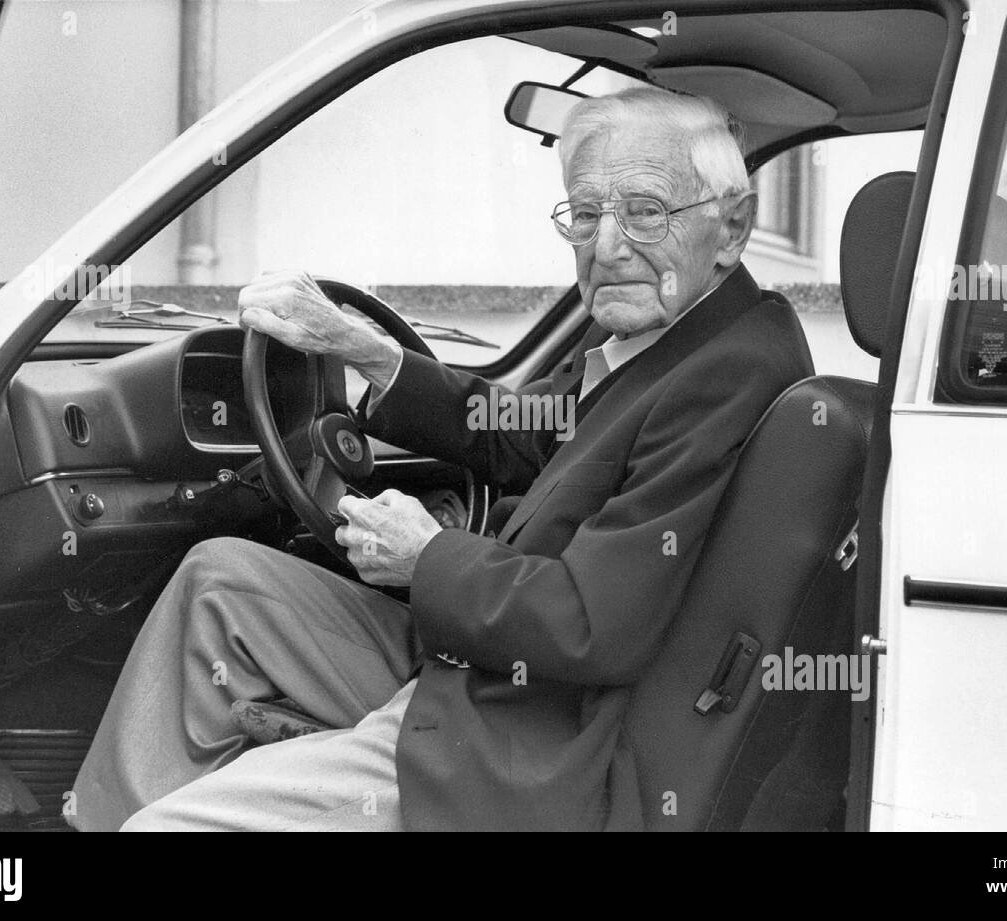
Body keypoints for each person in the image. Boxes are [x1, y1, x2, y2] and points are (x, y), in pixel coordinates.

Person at [70, 86, 814, 831]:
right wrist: (359, 347)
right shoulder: (664, 327)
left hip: (527, 735)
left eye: (645, 211)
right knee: (218, 584)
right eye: (586, 215)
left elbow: (591, 623)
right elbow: (526, 432)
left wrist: (427, 555)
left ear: (732, 226)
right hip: (484, 665)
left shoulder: (726, 371)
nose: (608, 245)